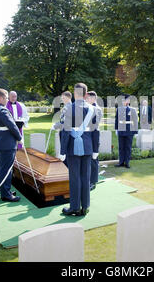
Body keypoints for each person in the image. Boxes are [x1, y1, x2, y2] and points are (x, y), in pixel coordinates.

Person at [60, 83, 96, 216]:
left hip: (72, 146)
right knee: (85, 177)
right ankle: (85, 206)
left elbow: (65, 131)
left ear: (75, 94)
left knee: (75, 177)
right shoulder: (92, 109)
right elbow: (95, 131)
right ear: (86, 94)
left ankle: (75, 207)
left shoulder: (69, 108)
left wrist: (62, 151)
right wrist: (95, 149)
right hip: (87, 146)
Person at [0, 89, 22, 202]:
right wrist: (19, 138)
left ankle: (5, 190)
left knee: (3, 168)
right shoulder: (2, 110)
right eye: (5, 97)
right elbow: (12, 125)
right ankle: (6, 194)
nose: (7, 99)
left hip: (2, 141)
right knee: (7, 169)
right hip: (7, 143)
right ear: (0, 98)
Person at [115, 94, 139, 168]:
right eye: (127, 100)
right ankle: (121, 162)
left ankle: (127, 162)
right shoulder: (119, 109)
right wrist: (116, 129)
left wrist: (135, 132)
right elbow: (117, 120)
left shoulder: (132, 109)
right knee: (121, 147)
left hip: (129, 130)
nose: (128, 101)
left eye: (128, 100)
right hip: (121, 129)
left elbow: (135, 121)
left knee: (128, 147)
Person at [86, 91, 102, 191]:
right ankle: (88, 179)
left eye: (88, 98)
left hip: (94, 135)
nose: (86, 100)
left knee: (94, 159)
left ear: (93, 99)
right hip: (87, 135)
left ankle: (93, 181)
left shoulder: (97, 109)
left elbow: (94, 124)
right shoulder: (87, 107)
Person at [53, 91, 73, 166]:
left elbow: (65, 122)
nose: (62, 100)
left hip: (67, 132)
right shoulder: (66, 106)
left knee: (66, 153)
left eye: (63, 98)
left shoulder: (69, 107)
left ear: (68, 98)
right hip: (63, 131)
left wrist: (56, 126)